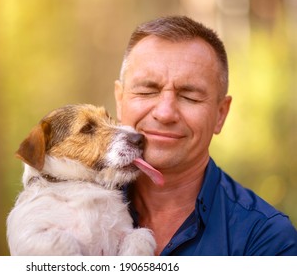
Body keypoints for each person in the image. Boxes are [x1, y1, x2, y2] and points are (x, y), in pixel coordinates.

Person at [114, 15, 297, 255]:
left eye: (190, 96)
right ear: (120, 100)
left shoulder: (266, 240)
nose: (165, 113)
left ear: (221, 114)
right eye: (148, 91)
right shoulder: (63, 210)